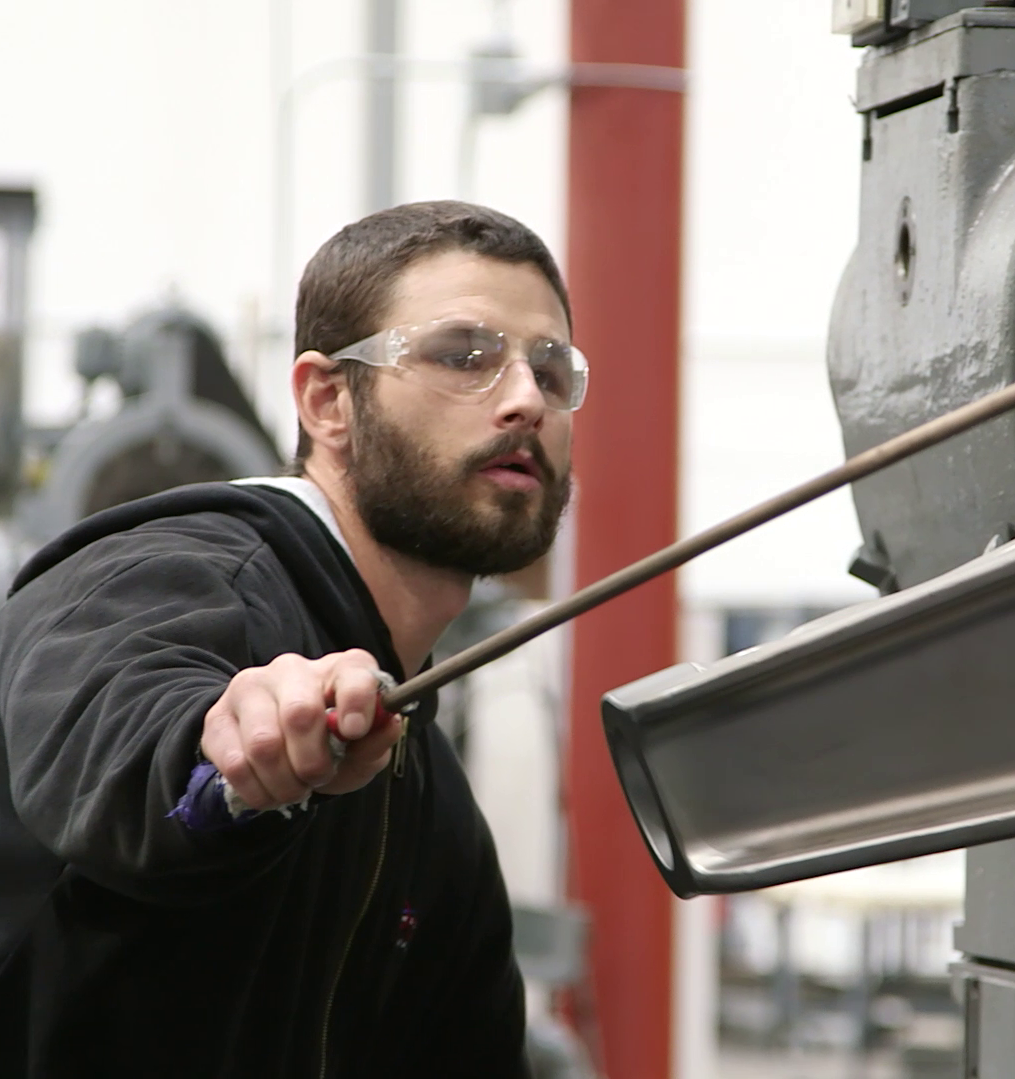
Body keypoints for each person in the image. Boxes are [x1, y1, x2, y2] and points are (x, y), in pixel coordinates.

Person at [0, 200, 587, 1078]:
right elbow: (125, 738)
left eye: (551, 368)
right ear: (327, 400)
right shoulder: (176, 574)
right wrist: (230, 754)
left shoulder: (429, 801)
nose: (523, 399)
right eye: (463, 355)